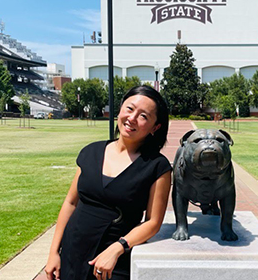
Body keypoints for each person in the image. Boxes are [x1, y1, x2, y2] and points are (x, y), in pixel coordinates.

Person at [45, 85, 172, 280]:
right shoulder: (91, 152)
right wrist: (54, 252)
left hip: (112, 262)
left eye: (143, 116)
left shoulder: (157, 166)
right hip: (73, 250)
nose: (132, 118)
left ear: (155, 127)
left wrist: (118, 247)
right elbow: (71, 203)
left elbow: (153, 222)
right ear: (120, 109)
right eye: (129, 109)